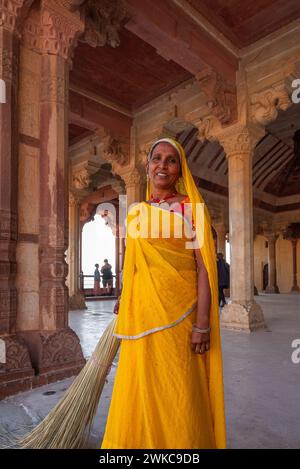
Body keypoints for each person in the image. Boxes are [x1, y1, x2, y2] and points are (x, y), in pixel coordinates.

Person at [101, 138, 226, 449]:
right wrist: (124, 295)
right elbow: (133, 261)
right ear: (147, 167)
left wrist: (202, 324)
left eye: (171, 160)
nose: (163, 165)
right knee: (141, 385)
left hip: (180, 316)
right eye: (157, 158)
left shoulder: (191, 208)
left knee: (179, 387)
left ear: (179, 169)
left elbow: (204, 269)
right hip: (142, 313)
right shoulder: (137, 213)